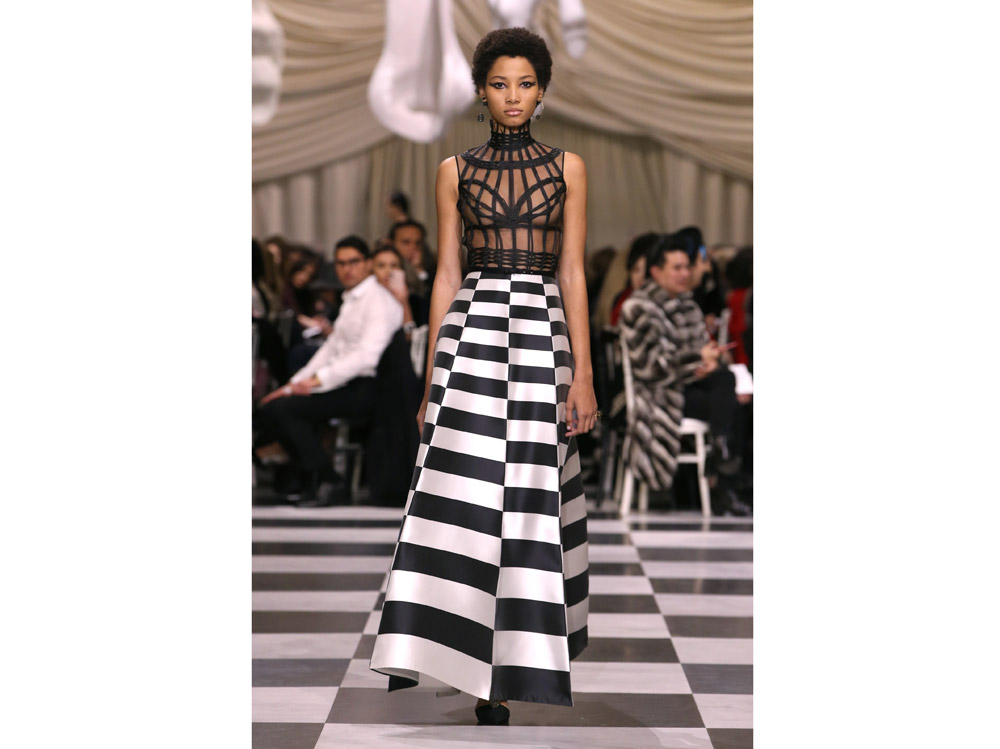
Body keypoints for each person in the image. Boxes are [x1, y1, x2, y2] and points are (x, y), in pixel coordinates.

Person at [370, 27, 597, 724]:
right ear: (480, 90)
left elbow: (573, 272)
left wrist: (584, 374)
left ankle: (508, 668)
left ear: (543, 90)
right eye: (500, 84)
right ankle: (469, 666)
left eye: (525, 84)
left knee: (529, 495)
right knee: (461, 500)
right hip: (470, 335)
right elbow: (446, 274)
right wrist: (431, 377)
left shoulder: (570, 167)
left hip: (541, 336)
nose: (513, 96)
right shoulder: (454, 170)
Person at [253, 236, 403, 507]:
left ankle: (328, 480)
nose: (347, 269)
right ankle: (310, 478)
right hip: (346, 383)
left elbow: (366, 358)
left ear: (368, 263)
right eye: (341, 263)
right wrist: (293, 384)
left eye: (353, 262)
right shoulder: (353, 299)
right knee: (274, 405)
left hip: (369, 389)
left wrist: (316, 381)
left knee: (284, 409)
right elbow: (330, 350)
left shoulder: (377, 300)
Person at [619, 235, 749, 516]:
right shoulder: (639, 307)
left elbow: (701, 351)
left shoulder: (688, 306)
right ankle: (723, 476)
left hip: (691, 388)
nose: (684, 274)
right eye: (676, 268)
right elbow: (650, 367)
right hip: (657, 396)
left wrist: (711, 362)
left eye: (687, 267)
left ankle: (721, 458)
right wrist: (695, 361)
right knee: (730, 398)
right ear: (656, 271)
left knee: (727, 382)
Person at [609, 232, 656, 326]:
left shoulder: (662, 302)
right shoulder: (621, 300)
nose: (641, 276)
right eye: (636, 270)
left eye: (646, 270)